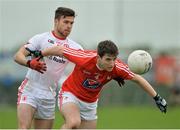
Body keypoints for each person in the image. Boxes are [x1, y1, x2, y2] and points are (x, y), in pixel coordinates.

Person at [38, 40, 167, 129]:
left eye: (114, 59)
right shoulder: (84, 58)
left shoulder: (117, 68)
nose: (112, 63)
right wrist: (40, 54)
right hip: (70, 94)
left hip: (90, 104)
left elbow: (138, 79)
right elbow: (60, 50)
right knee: (73, 123)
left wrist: (157, 98)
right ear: (98, 57)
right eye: (108, 59)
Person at [13, 7, 83, 129]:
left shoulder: (75, 47)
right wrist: (30, 63)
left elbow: (88, 63)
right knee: (23, 127)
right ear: (56, 21)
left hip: (49, 94)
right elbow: (18, 56)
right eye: (65, 22)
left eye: (71, 23)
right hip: (30, 89)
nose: (69, 26)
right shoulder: (41, 39)